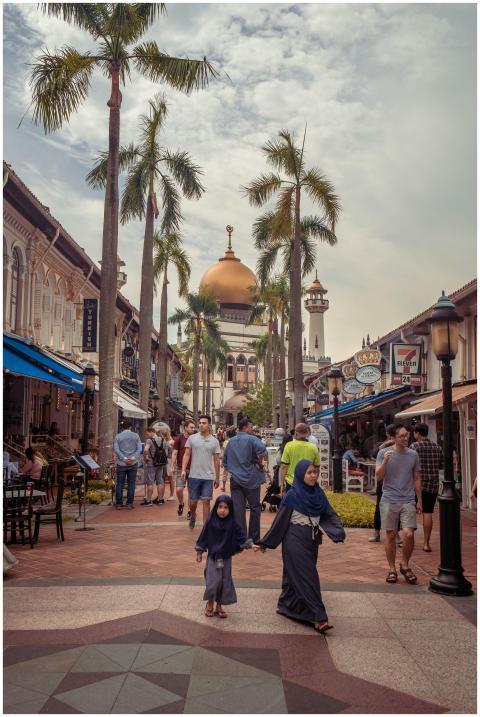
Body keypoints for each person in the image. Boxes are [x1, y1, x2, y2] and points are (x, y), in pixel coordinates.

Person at [254, 460, 345, 634]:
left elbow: (328, 513)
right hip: (294, 540)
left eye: (314, 472)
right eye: (309, 473)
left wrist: (337, 531)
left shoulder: (318, 493)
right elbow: (280, 522)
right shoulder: (292, 495)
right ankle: (319, 617)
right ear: (300, 474)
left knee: (293, 574)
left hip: (312, 541)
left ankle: (286, 605)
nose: (313, 475)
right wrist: (265, 542)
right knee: (307, 576)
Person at [375, 423, 422, 584]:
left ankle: (405, 564)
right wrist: (385, 462)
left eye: (406, 435)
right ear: (393, 438)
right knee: (391, 534)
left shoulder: (413, 455)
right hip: (389, 499)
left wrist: (419, 500)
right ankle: (392, 569)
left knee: (408, 534)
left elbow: (416, 477)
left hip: (408, 499)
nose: (405, 438)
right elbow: (378, 476)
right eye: (401, 436)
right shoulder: (383, 453)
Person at [195, 494, 253, 618]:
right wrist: (199, 552)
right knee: (213, 581)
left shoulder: (232, 523)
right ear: (216, 507)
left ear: (230, 509)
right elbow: (203, 536)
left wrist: (251, 545)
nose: (222, 510)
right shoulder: (211, 522)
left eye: (226, 508)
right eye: (220, 507)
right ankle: (210, 603)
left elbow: (241, 537)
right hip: (213, 558)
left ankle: (219, 605)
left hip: (226, 558)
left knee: (224, 581)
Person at [222, 418, 267, 543]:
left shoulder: (231, 442)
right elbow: (263, 450)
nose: (252, 429)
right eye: (251, 427)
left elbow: (225, 462)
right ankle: (254, 537)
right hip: (251, 479)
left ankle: (240, 538)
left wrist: (234, 469)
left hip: (235, 479)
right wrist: (257, 462)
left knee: (238, 509)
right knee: (255, 508)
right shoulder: (252, 439)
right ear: (246, 427)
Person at [181, 415, 221, 529]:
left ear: (209, 425)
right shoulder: (192, 438)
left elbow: (217, 460)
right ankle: (193, 515)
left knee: (206, 501)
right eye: (200, 423)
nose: (201, 425)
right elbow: (187, 454)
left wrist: (217, 477)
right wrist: (183, 470)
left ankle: (205, 528)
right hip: (194, 475)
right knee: (193, 502)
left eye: (204, 423)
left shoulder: (214, 441)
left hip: (207, 477)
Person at [411, 423, 443, 552]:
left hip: (416, 484)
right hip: (432, 484)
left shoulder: (414, 446)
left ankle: (410, 540)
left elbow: (410, 465)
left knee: (411, 512)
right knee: (428, 512)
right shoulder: (437, 447)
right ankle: (426, 543)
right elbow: (441, 464)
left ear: (417, 433)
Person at [369, 424, 396, 543]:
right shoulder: (383, 446)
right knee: (380, 507)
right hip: (383, 481)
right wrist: (385, 444)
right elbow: (374, 455)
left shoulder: (402, 446)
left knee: (396, 507)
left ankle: (395, 533)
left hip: (396, 481)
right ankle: (377, 532)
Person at [279, 423, 320, 492]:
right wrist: (314, 480)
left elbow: (284, 466)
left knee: (292, 502)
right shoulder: (314, 447)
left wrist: (282, 483)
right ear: (307, 433)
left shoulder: (289, 446)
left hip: (292, 483)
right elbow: (317, 467)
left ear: (296, 433)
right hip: (308, 482)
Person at [113, 421, 142, 509]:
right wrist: (132, 458)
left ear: (122, 427)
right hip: (133, 463)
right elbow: (139, 449)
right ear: (130, 427)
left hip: (121, 463)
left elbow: (116, 449)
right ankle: (129, 503)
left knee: (120, 484)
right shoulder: (136, 436)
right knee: (131, 483)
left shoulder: (118, 436)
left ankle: (118, 503)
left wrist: (124, 458)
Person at [172, 419, 196, 516]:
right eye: (191, 427)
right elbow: (174, 453)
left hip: (193, 469)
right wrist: (172, 465)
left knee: (191, 491)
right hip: (180, 468)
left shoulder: (195, 438)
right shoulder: (179, 439)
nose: (193, 429)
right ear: (185, 428)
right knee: (179, 490)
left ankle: (190, 510)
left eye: (194, 427)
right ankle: (181, 503)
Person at [141, 426, 167, 507]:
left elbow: (145, 450)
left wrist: (145, 459)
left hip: (152, 463)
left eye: (148, 433)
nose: (147, 435)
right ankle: (160, 499)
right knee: (160, 480)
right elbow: (165, 453)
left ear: (152, 432)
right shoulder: (163, 440)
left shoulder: (149, 440)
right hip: (161, 463)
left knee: (150, 481)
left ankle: (148, 500)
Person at [157, 424, 175, 501]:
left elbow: (173, 453)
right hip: (165, 460)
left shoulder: (170, 442)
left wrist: (173, 464)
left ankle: (171, 495)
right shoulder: (166, 441)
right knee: (163, 478)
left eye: (160, 433)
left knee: (170, 478)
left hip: (169, 460)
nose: (159, 435)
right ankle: (161, 496)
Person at [221, 427, 236, 491]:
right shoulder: (235, 441)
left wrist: (222, 462)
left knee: (225, 474)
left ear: (227, 435)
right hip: (234, 460)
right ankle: (234, 487)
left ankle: (224, 487)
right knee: (234, 475)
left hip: (227, 460)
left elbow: (224, 452)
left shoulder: (226, 442)